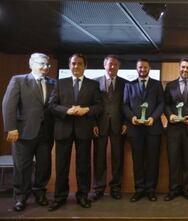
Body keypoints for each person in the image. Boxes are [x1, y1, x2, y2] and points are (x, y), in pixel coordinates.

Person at [48, 53, 102, 211]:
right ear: (69, 65)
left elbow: (99, 107)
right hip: (63, 130)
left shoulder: (93, 85)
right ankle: (60, 197)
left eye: (79, 64)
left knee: (83, 166)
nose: (76, 66)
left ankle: (82, 196)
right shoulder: (60, 83)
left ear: (85, 66)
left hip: (83, 130)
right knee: (61, 165)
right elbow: (52, 105)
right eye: (73, 63)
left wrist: (86, 109)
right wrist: (67, 111)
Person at [2, 53, 55, 212]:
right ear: (31, 64)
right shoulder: (18, 80)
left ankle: (39, 193)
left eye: (48, 65)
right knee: (22, 166)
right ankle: (21, 197)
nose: (46, 67)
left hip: (46, 132)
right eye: (42, 64)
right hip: (23, 132)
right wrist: (11, 128)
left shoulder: (53, 83)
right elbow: (8, 105)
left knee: (44, 165)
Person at [123, 58, 164, 202]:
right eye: (140, 67)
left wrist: (153, 117)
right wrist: (132, 118)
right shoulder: (129, 85)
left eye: (145, 67)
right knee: (138, 161)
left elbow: (161, 104)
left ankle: (151, 190)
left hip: (153, 128)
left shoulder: (157, 85)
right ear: (136, 68)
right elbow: (125, 105)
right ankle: (139, 190)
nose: (142, 70)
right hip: (135, 129)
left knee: (153, 161)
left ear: (149, 68)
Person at [164, 58, 188, 201]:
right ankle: (173, 190)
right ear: (178, 67)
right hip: (174, 129)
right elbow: (166, 104)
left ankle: (186, 189)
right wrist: (170, 115)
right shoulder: (170, 85)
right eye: (183, 67)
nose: (185, 70)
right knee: (173, 161)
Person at [92, 55, 127, 201]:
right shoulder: (94, 83)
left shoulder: (125, 83)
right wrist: (93, 123)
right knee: (99, 158)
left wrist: (125, 122)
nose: (112, 67)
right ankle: (99, 188)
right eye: (110, 64)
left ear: (118, 67)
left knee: (117, 158)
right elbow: (92, 104)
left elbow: (127, 105)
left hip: (119, 126)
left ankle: (115, 188)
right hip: (100, 125)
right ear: (104, 65)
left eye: (115, 65)